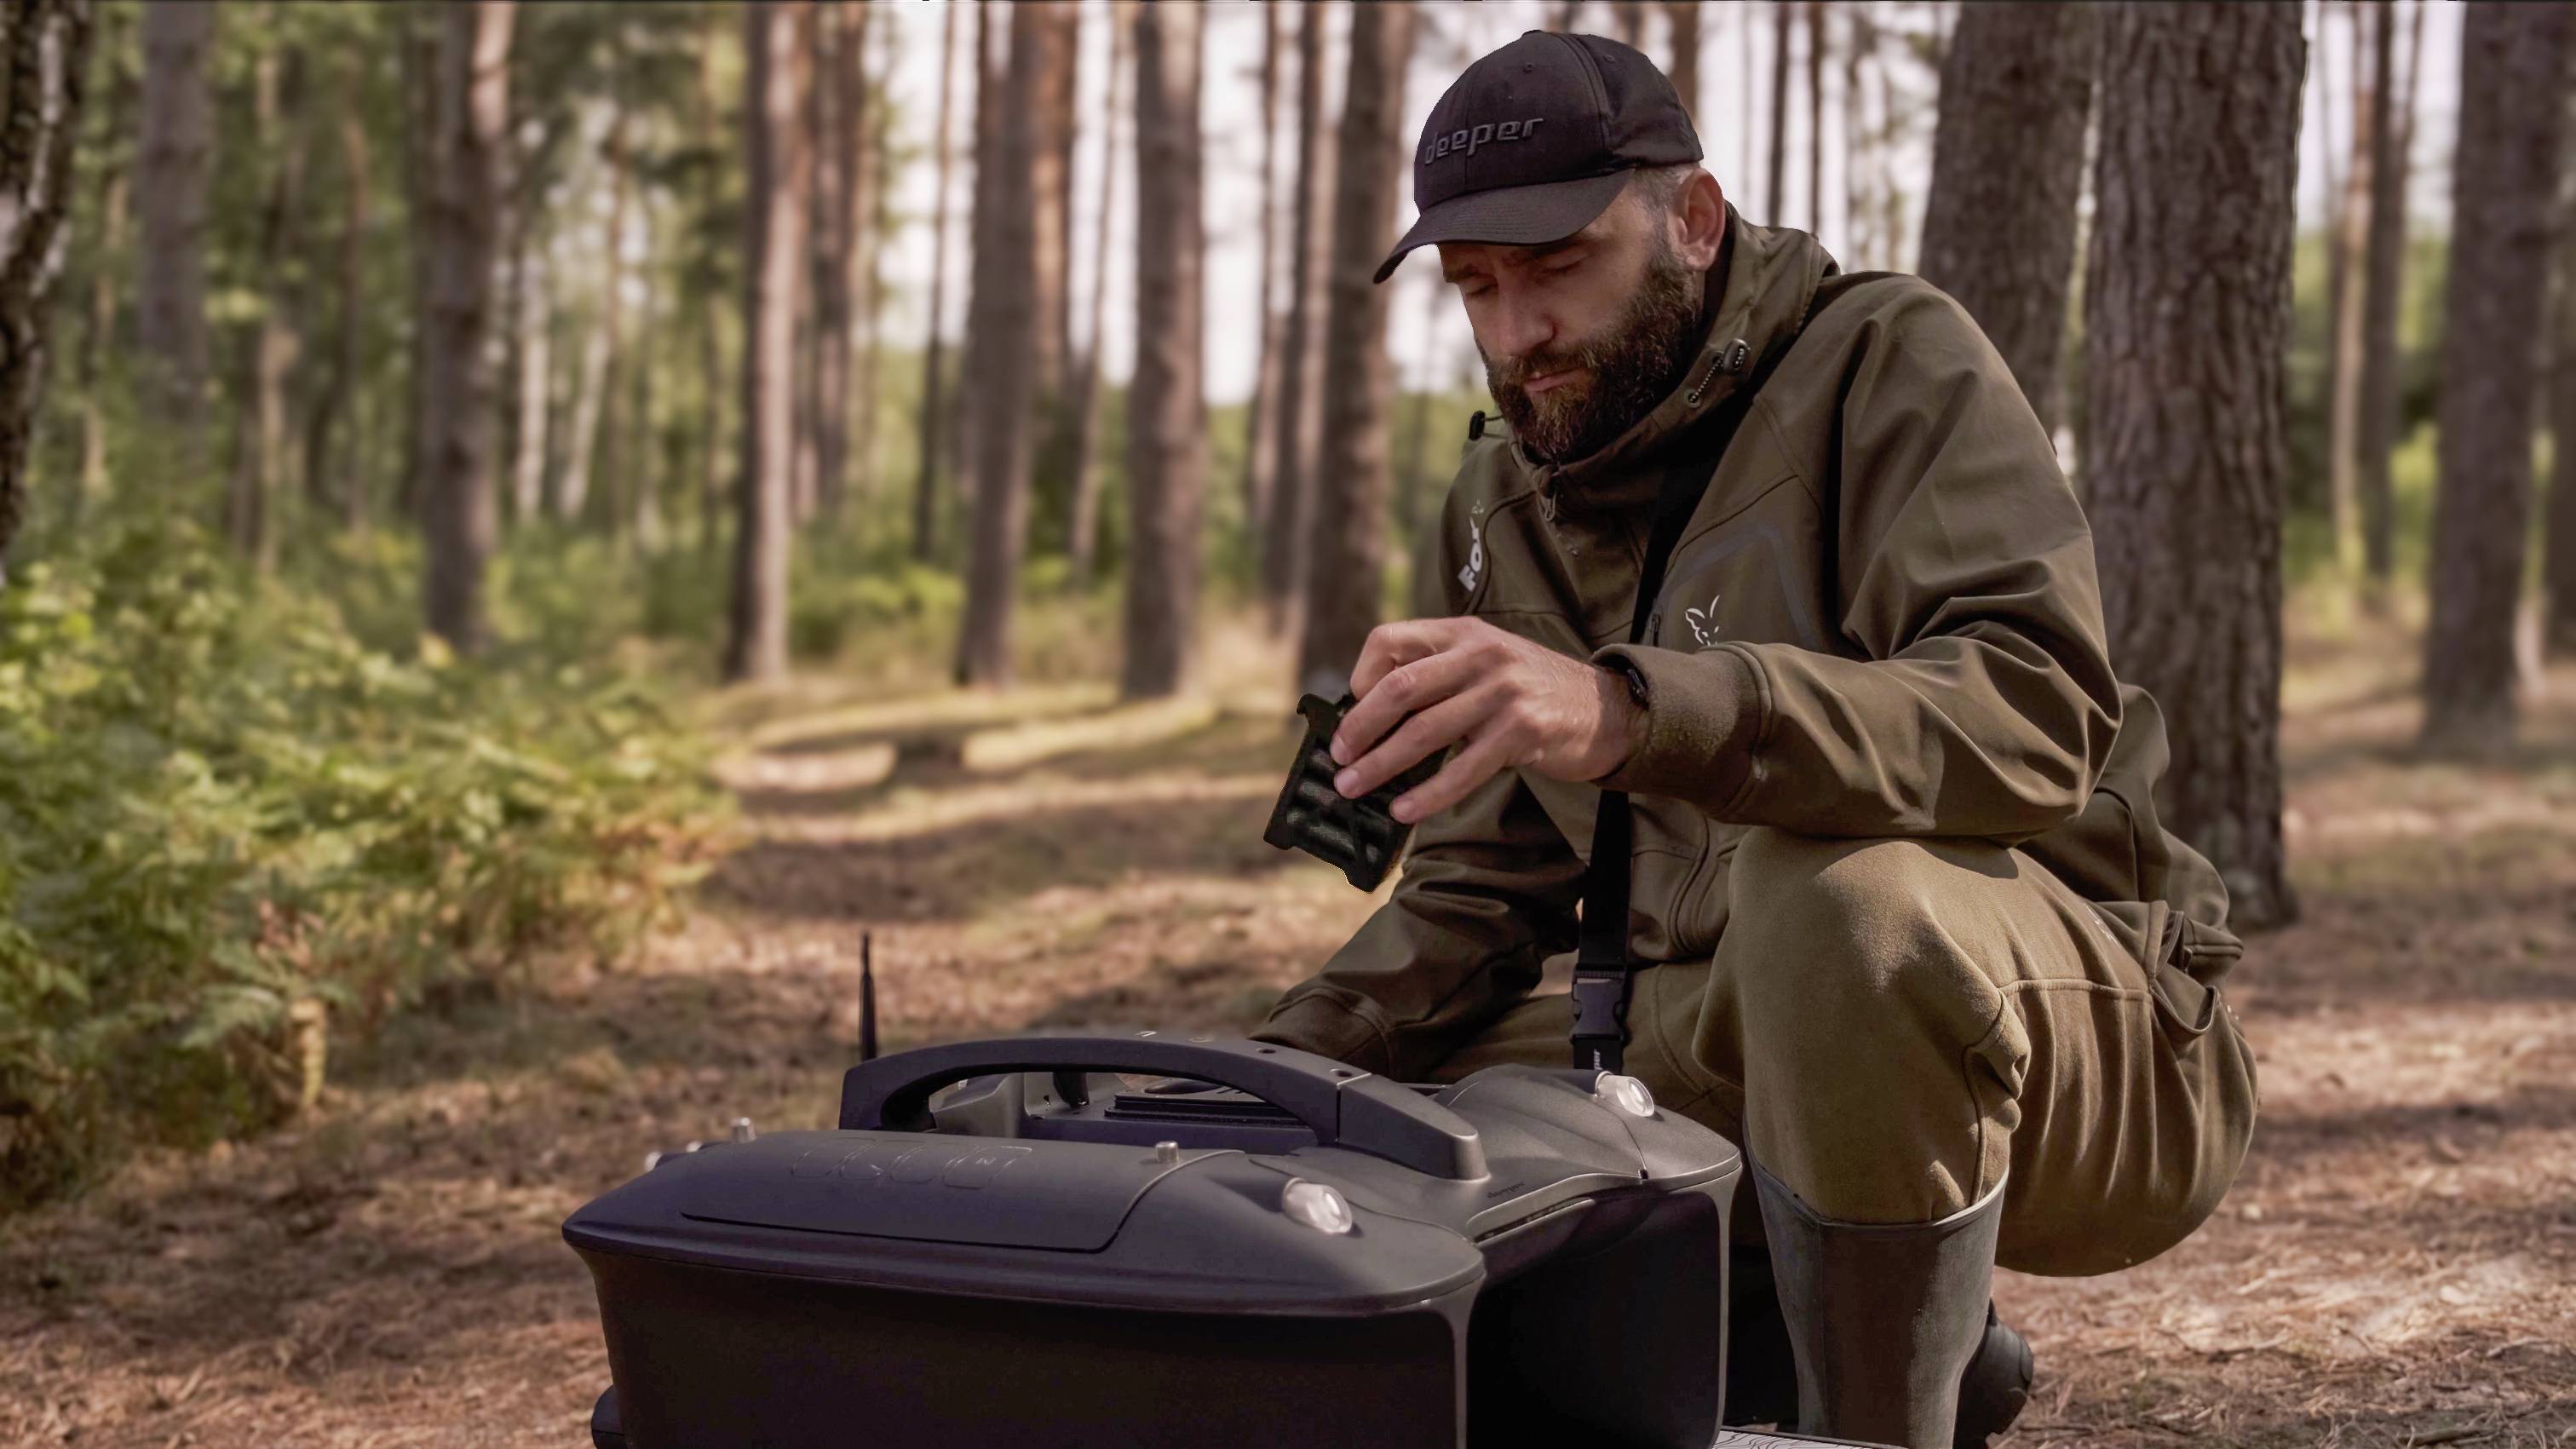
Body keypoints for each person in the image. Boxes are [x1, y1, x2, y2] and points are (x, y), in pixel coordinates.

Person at [1249, 31, 2259, 1449]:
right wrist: (1266, 1077)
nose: (1517, 330)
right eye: (1475, 288)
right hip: (1703, 1032)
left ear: (1694, 220)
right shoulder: (1501, 493)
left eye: (1557, 266)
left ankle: (1870, 1421)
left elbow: (2031, 711)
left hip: (2083, 1039)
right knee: (1371, 1125)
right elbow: (1481, 888)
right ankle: (1734, 1367)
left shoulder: (1887, 362)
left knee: (1832, 909)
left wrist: (1633, 709)